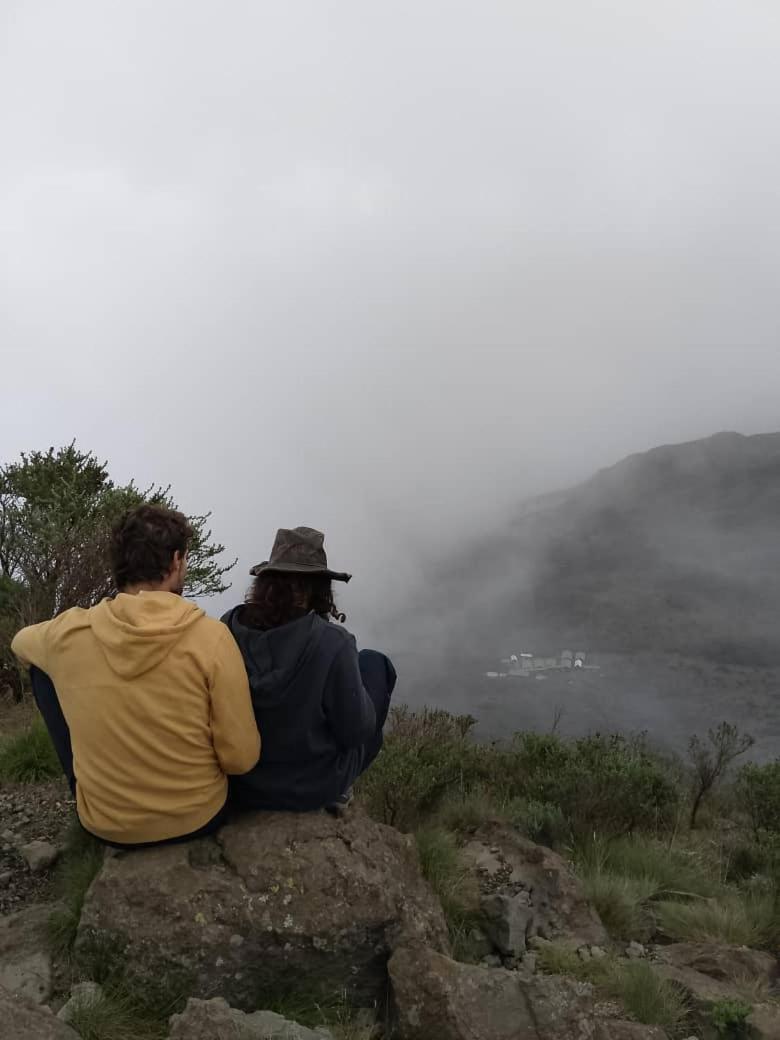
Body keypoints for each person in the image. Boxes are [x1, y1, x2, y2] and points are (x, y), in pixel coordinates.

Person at [11, 504, 260, 847]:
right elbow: (240, 759)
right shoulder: (211, 638)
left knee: (42, 667)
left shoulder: (68, 632)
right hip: (197, 818)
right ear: (176, 561)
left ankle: (90, 784)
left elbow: (20, 643)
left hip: (105, 824)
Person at [221, 526, 396, 813]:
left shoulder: (228, 626)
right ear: (319, 587)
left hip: (244, 783)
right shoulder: (332, 641)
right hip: (311, 787)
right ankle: (340, 792)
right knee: (376, 664)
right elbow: (356, 731)